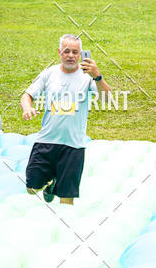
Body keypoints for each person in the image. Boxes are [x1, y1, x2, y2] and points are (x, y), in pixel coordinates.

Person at [20, 34, 111, 205]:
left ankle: (65, 228)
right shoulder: (49, 74)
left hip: (73, 145)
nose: (70, 55)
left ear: (80, 54)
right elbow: (27, 95)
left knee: (66, 200)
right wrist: (27, 107)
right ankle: (50, 183)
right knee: (31, 188)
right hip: (46, 140)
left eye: (75, 52)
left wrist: (97, 76)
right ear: (59, 52)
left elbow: (107, 98)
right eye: (66, 51)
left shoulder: (87, 75)